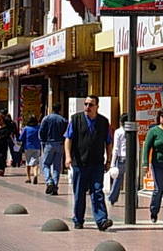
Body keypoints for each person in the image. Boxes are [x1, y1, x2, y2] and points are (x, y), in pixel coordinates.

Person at [64, 95, 113, 231]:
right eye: (86, 104)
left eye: (91, 105)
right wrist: (68, 157)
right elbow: (68, 139)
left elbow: (108, 142)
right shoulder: (75, 119)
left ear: (97, 106)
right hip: (80, 163)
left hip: (97, 163)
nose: (87, 107)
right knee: (79, 193)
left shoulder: (103, 122)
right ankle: (78, 220)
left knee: (97, 191)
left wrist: (109, 160)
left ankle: (101, 220)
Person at [39, 103, 67, 195]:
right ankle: (55, 185)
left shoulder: (46, 118)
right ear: (60, 109)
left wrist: (43, 141)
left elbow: (41, 131)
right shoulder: (63, 120)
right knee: (57, 166)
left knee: (45, 164)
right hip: (60, 144)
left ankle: (49, 181)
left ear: (52, 109)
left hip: (49, 143)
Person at [108, 113, 128, 206]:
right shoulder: (132, 130)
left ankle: (112, 198)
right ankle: (134, 200)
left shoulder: (118, 132)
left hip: (121, 158)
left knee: (117, 179)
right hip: (130, 158)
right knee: (132, 181)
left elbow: (116, 148)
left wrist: (112, 163)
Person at [19, 115, 42, 184]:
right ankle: (35, 174)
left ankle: (28, 178)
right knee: (36, 163)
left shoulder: (26, 128)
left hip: (27, 147)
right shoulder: (39, 127)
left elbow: (21, 138)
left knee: (28, 162)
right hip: (37, 147)